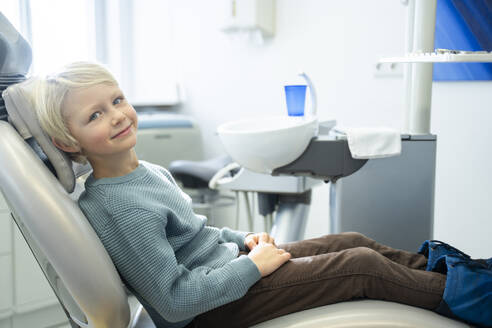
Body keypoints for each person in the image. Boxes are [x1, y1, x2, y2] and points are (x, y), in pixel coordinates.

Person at [30, 61, 492, 328]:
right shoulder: (115, 205)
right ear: (68, 143)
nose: (115, 115)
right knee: (360, 267)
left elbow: (199, 233)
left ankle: (470, 277)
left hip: (228, 272)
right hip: (211, 311)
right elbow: (173, 301)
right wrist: (252, 266)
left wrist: (245, 238)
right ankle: (480, 301)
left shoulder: (147, 171)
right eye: (93, 116)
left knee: (350, 240)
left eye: (116, 100)